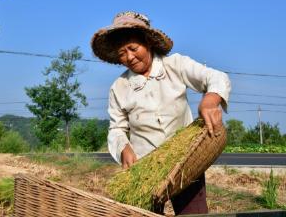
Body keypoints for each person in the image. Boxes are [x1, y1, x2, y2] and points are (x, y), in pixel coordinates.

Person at [91, 11, 231, 215]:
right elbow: (117, 129)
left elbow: (216, 77)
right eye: (122, 53)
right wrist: (124, 148)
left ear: (147, 42)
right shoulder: (119, 87)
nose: (129, 57)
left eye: (133, 48)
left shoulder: (174, 65)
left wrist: (210, 100)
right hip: (146, 170)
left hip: (187, 162)